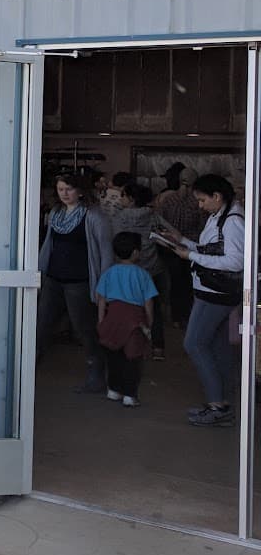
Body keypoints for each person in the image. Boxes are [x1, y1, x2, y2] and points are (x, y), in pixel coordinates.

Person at [163, 174, 243, 428]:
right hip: (210, 291)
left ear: (217, 197)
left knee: (194, 343)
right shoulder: (220, 216)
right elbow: (210, 249)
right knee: (218, 347)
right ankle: (223, 402)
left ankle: (217, 404)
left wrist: (191, 257)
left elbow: (235, 261)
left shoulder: (232, 222)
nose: (200, 205)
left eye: (202, 200)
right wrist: (182, 241)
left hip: (216, 294)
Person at [36, 174, 114, 393]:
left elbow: (106, 251)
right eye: (60, 189)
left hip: (80, 282)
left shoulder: (94, 216)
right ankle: (27, 370)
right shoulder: (56, 214)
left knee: (85, 329)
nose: (64, 193)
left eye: (69, 189)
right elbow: (48, 245)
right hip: (53, 279)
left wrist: (104, 285)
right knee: (42, 325)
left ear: (80, 191)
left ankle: (96, 376)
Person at [94, 232, 158, 407]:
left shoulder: (109, 272)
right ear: (137, 252)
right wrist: (149, 322)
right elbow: (148, 302)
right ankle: (130, 395)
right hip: (134, 319)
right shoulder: (143, 274)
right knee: (133, 358)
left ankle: (114, 390)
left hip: (112, 316)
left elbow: (100, 298)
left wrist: (101, 321)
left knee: (113, 355)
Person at [111, 183, 169, 360]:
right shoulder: (153, 216)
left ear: (131, 199)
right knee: (155, 309)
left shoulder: (120, 217)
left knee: (127, 308)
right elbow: (170, 233)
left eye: (123, 195)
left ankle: (129, 345)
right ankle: (157, 347)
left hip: (129, 270)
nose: (121, 199)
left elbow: (115, 240)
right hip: (153, 268)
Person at [156, 166, 202, 326]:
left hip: (170, 248)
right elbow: (202, 226)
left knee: (174, 283)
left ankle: (176, 317)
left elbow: (159, 223)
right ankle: (189, 316)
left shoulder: (167, 199)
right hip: (191, 248)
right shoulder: (198, 202)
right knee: (191, 284)